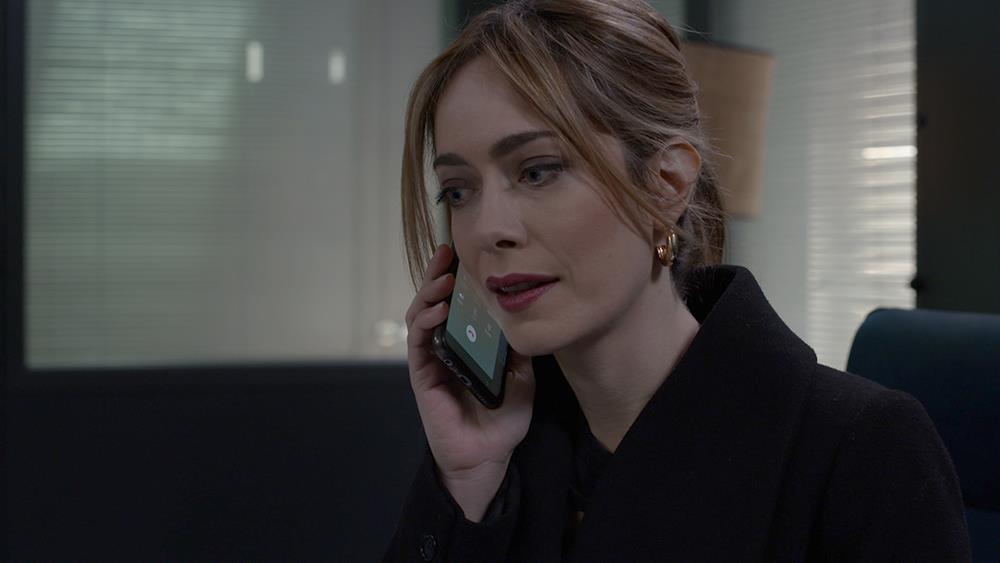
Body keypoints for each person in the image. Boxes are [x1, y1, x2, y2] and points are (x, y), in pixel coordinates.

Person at [384, 0, 971, 560]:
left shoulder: (860, 451)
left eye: (538, 171)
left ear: (666, 184)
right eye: (458, 191)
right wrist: (468, 481)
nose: (488, 228)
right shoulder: (504, 446)